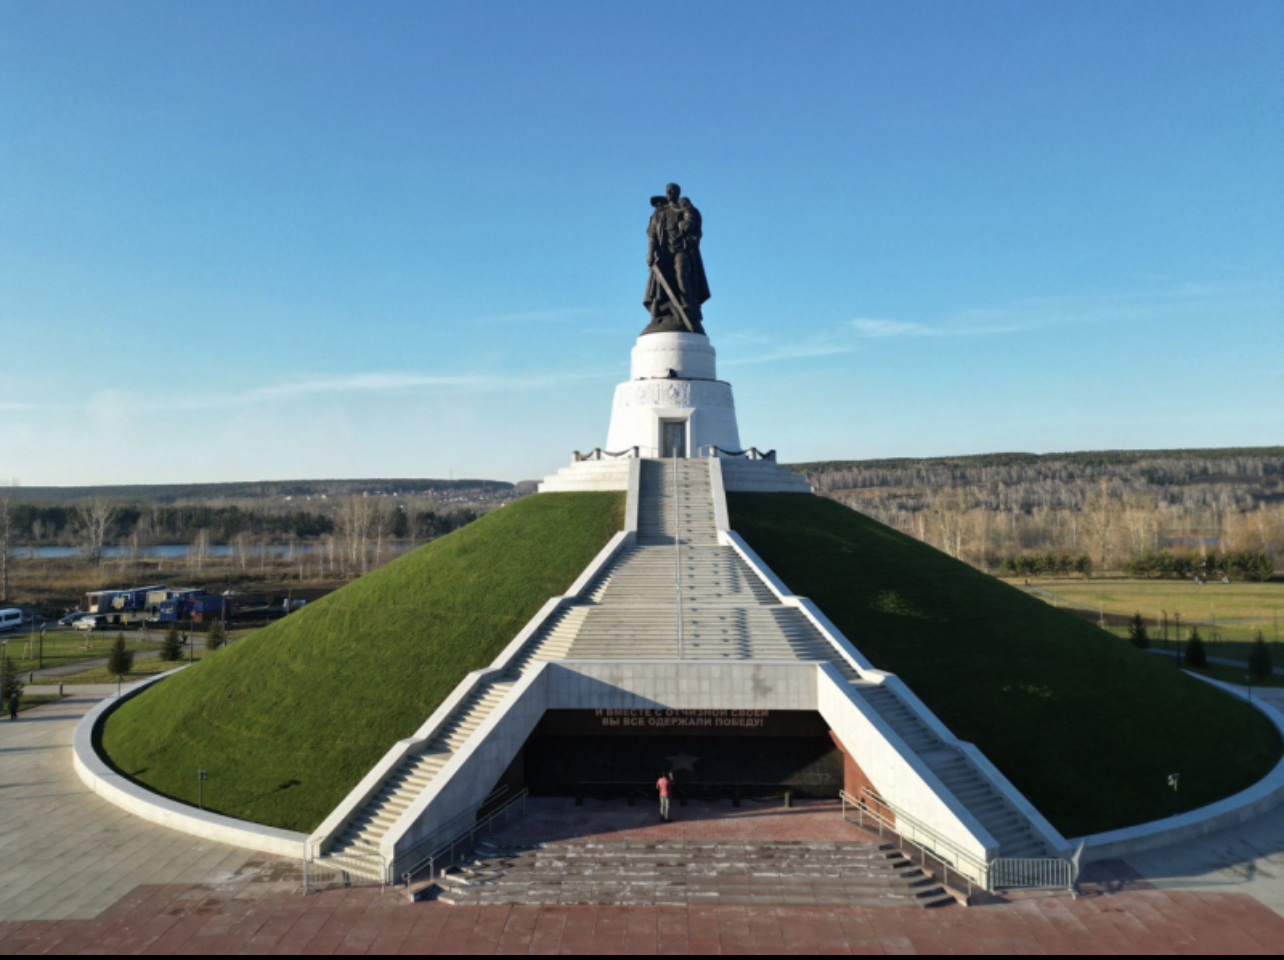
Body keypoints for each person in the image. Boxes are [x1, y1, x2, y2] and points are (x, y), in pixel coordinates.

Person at [643, 183, 710, 335]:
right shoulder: (659, 214)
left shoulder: (684, 209)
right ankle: (658, 314)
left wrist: (685, 223)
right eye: (667, 190)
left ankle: (687, 308)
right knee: (660, 283)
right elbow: (652, 234)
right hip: (664, 252)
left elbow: (692, 227)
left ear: (677, 193)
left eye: (672, 190)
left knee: (681, 275)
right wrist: (651, 253)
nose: (669, 192)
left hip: (681, 250)